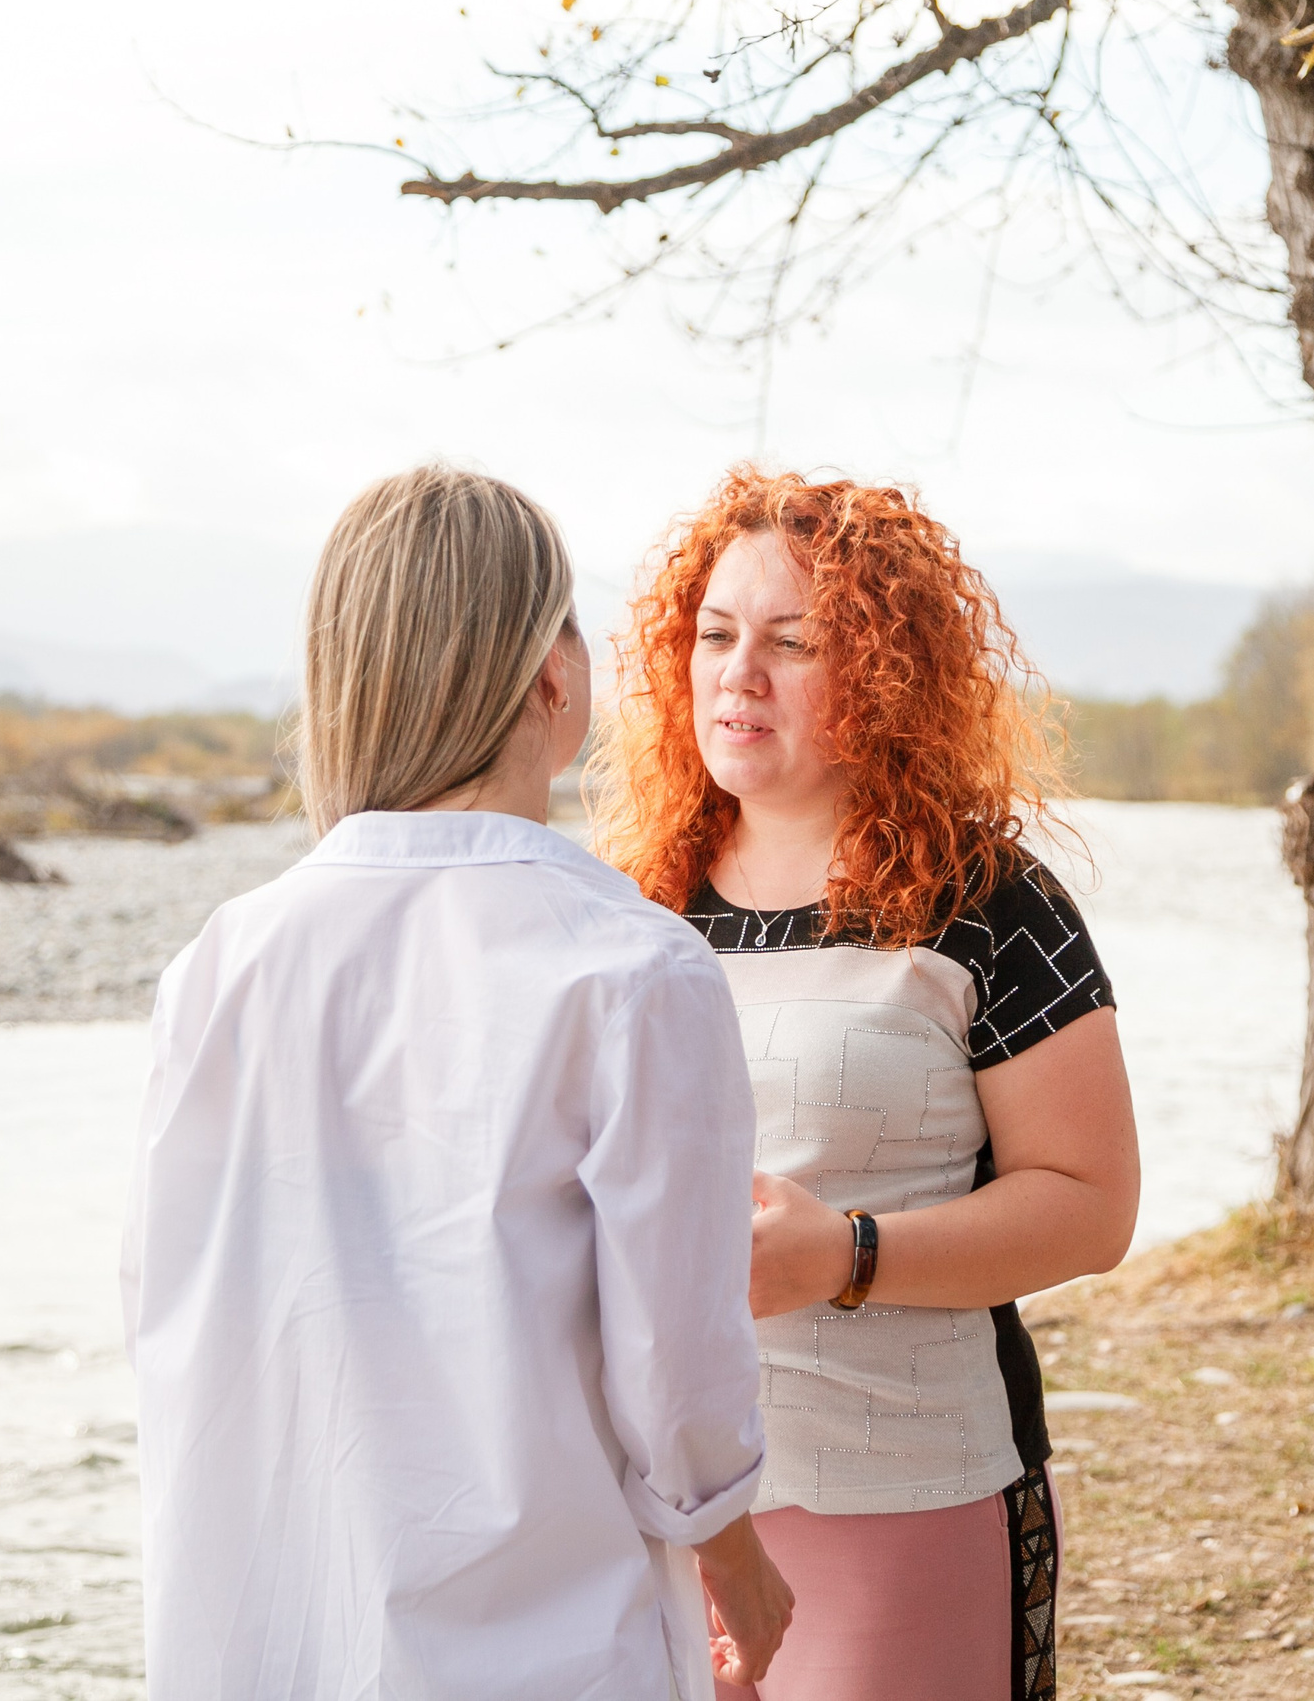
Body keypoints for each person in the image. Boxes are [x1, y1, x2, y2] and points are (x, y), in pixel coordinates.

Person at [122, 465, 793, 1700]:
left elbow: (178, 1313)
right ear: (550, 678)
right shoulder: (632, 969)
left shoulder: (217, 966)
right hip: (538, 1639)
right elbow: (675, 1368)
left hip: (257, 1629)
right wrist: (737, 1561)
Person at [593, 468, 1144, 1701]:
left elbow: (1093, 1204)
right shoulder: (628, 907)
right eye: (718, 635)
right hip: (652, 1514)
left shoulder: (989, 902)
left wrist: (848, 1255)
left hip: (910, 1500)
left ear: (885, 676)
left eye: (793, 643)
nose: (739, 673)